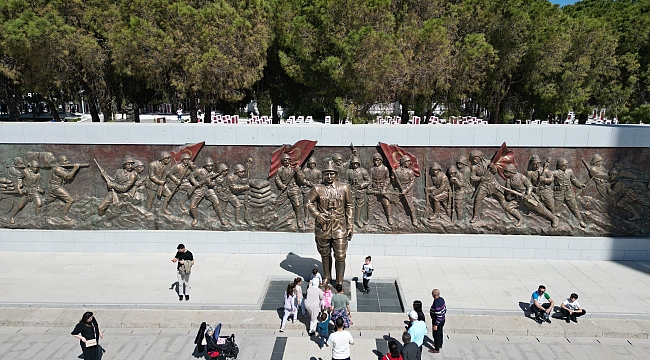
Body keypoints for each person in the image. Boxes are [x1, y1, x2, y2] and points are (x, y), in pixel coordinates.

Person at [305, 160, 354, 286]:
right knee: (325, 254)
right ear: (323, 174)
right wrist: (317, 215)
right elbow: (309, 203)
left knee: (341, 255)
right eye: (327, 174)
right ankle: (327, 277)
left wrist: (350, 225)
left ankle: (339, 280)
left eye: (332, 173)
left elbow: (349, 206)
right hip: (323, 227)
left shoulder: (344, 187)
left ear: (336, 174)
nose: (329, 176)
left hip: (339, 227)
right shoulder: (317, 188)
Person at [429, 288, 446, 353]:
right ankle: (440, 344)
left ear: (434, 295)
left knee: (436, 334)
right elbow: (444, 309)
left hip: (437, 321)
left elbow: (438, 315)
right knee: (440, 332)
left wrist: (436, 324)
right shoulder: (441, 299)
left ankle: (436, 348)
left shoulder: (436, 303)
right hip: (442, 320)